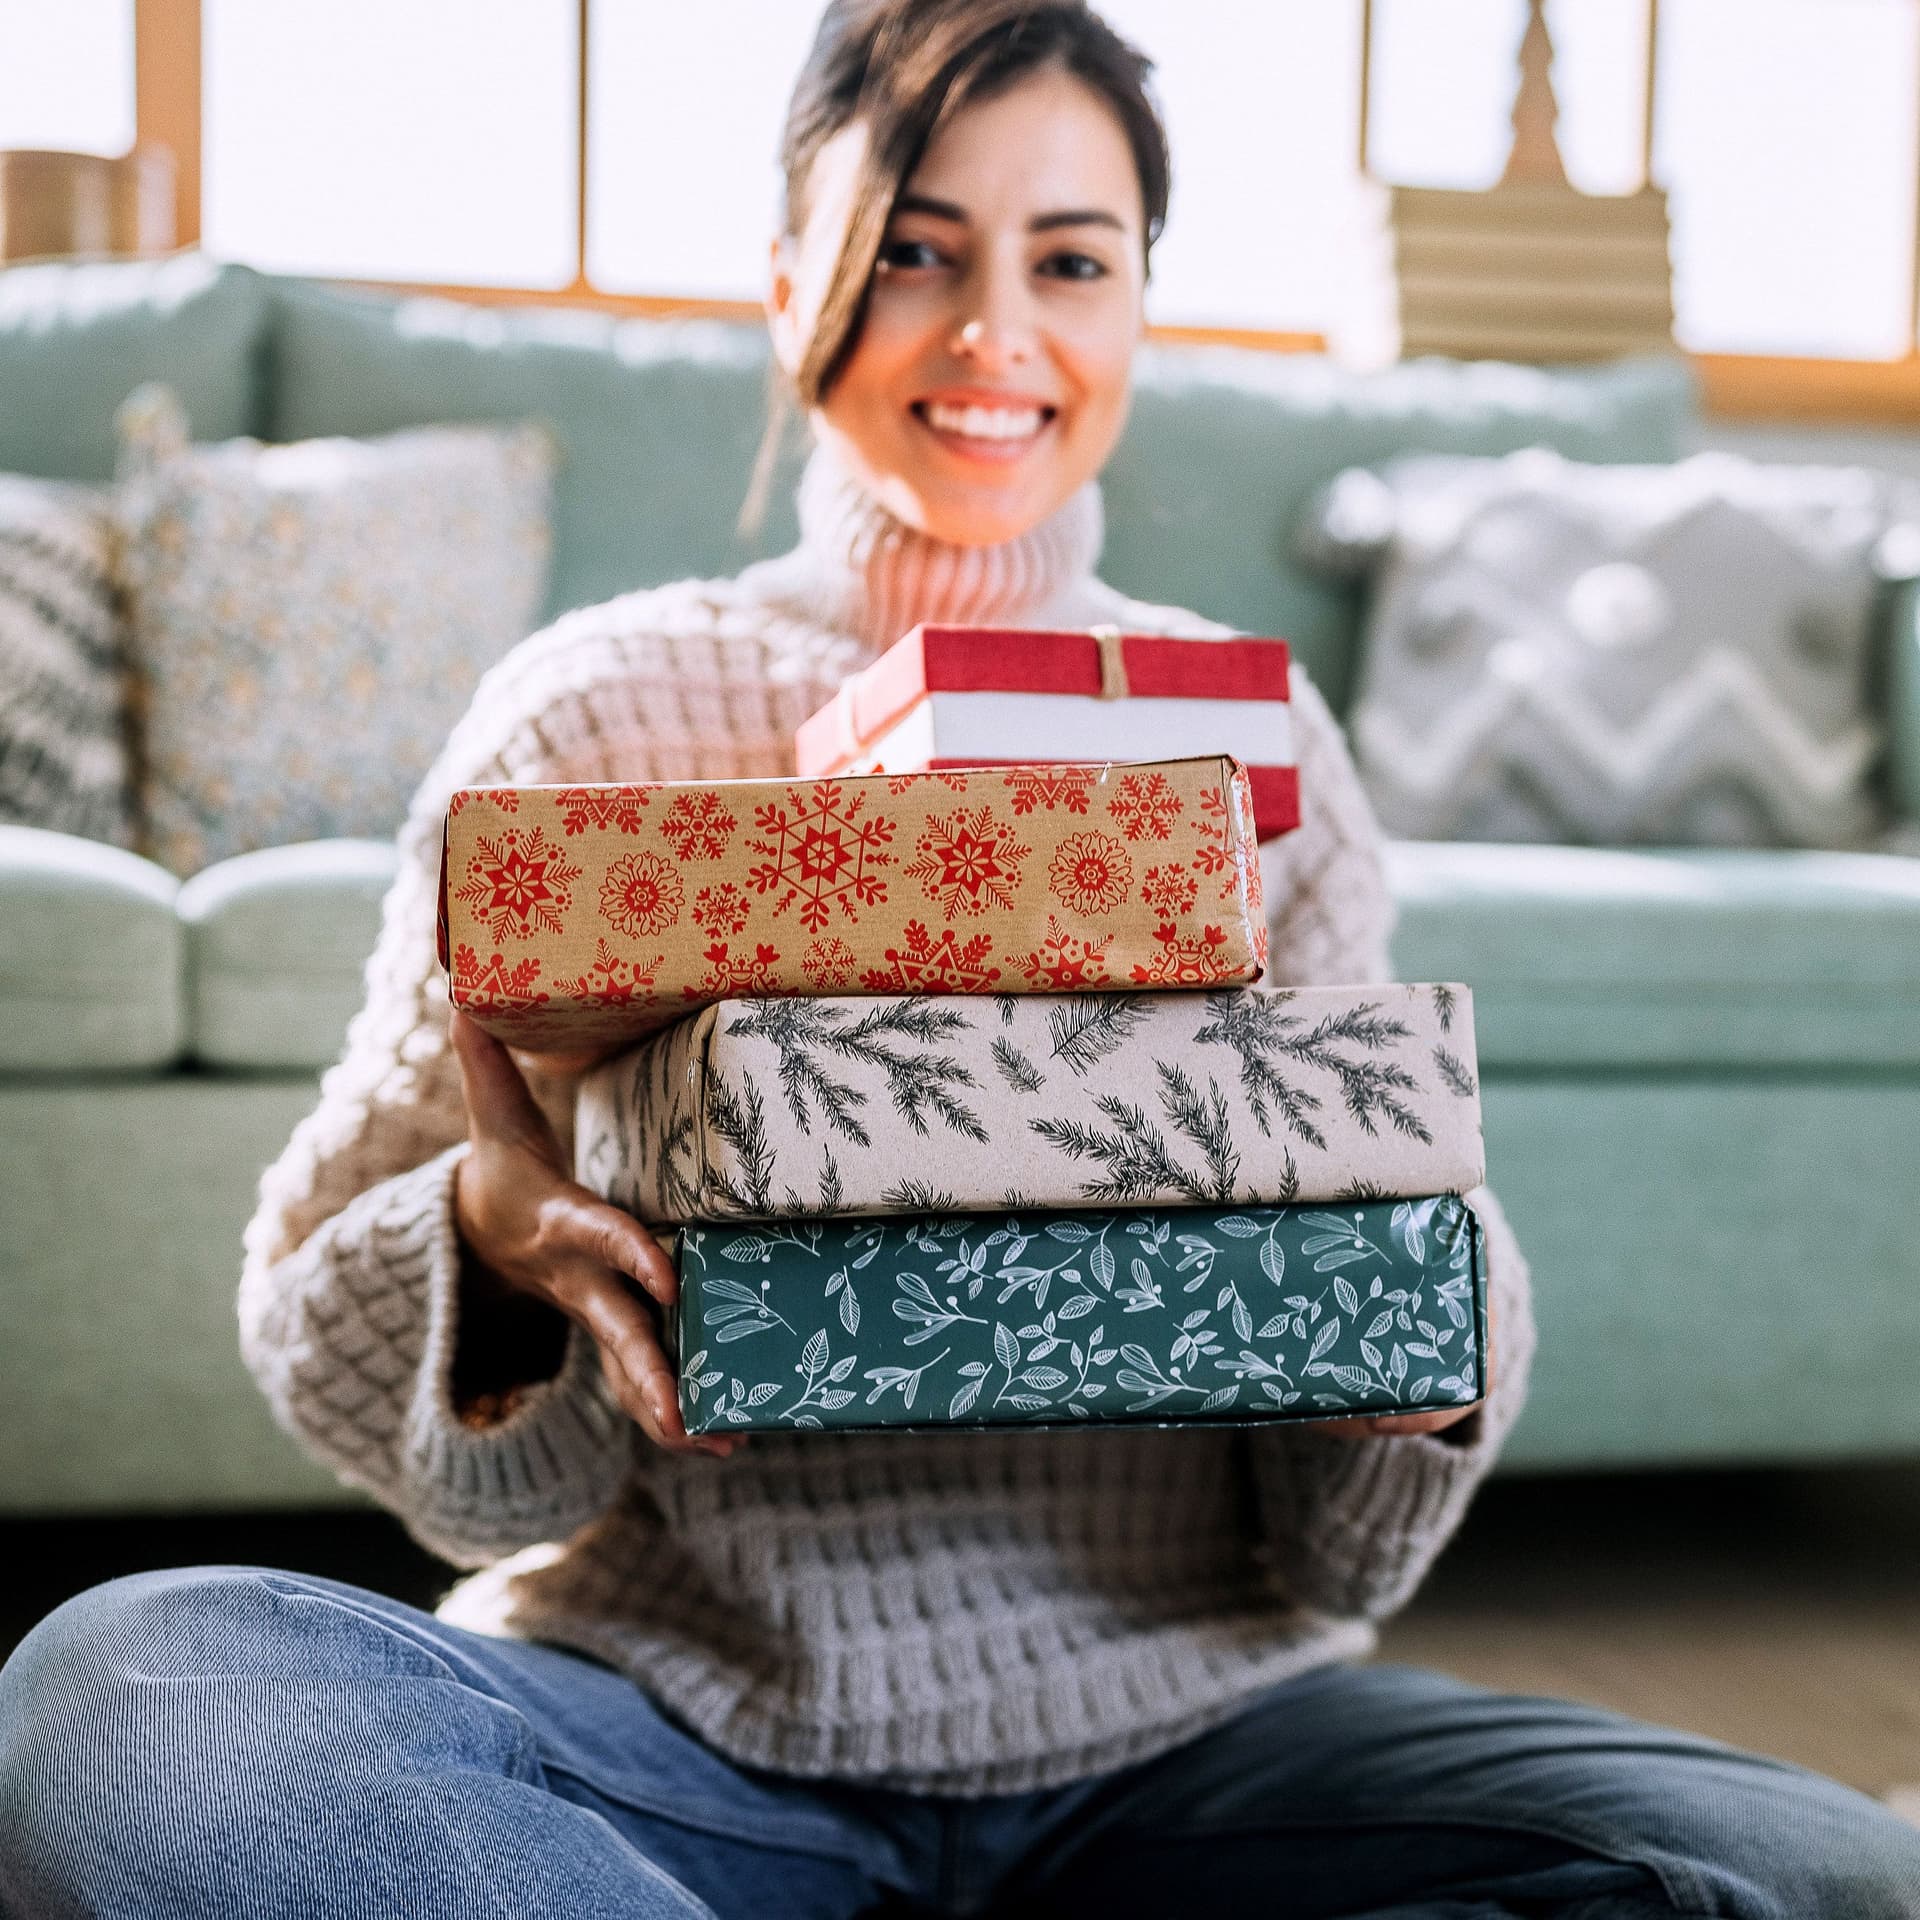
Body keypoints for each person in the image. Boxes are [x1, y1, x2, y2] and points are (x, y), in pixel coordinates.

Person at [3, 4, 1916, 1914]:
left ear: (1139, 308)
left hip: (1200, 1742)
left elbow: (1340, 1552)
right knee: (130, 1699)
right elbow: (323, 1335)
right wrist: (494, 1259)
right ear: (788, 286)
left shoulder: (1262, 753)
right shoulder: (581, 720)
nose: (994, 331)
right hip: (678, 1739)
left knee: (1803, 1864)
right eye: (914, 249)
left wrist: (1420, 1308)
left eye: (1070, 260)